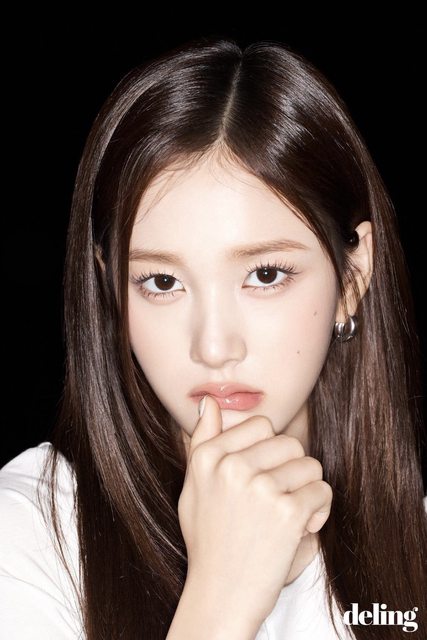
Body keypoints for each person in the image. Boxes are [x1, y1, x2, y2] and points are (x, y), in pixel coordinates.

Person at [0, 36, 426, 640]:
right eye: (162, 282)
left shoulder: (415, 553)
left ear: (351, 279)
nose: (215, 346)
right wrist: (220, 600)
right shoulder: (30, 535)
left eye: (265, 275)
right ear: (111, 288)